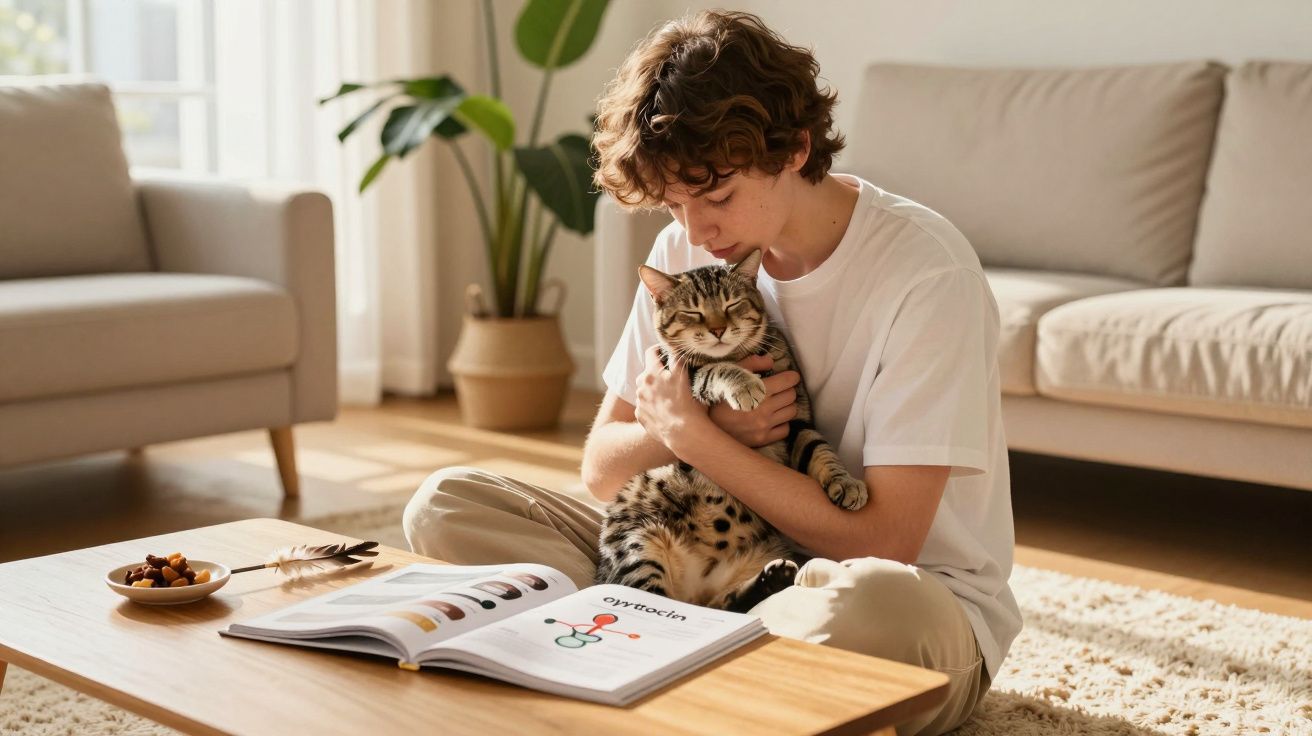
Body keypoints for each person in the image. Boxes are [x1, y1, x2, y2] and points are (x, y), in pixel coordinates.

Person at [404, 10, 1020, 735]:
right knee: (446, 504)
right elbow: (603, 468)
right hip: (702, 551)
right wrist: (702, 427)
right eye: (674, 203)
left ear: (793, 149)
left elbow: (884, 540)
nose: (695, 232)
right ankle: (703, 660)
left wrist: (700, 441)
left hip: (878, 587)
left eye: (717, 196)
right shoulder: (683, 257)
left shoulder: (925, 272)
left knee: (873, 606)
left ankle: (647, 648)